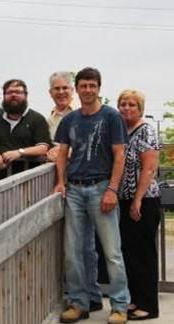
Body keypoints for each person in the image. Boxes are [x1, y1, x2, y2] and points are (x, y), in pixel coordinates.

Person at [54, 67, 130, 324]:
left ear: (99, 87)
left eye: (92, 85)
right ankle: (79, 303)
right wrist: (61, 182)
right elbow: (62, 153)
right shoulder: (69, 120)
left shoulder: (111, 117)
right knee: (73, 252)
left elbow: (120, 155)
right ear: (77, 88)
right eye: (83, 85)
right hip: (74, 189)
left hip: (101, 187)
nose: (87, 90)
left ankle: (119, 305)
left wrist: (112, 189)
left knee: (112, 251)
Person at [117, 90, 161, 320]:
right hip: (123, 200)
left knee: (144, 255)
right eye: (123, 104)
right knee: (129, 254)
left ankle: (148, 306)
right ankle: (135, 300)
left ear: (140, 108)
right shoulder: (123, 131)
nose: (126, 108)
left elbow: (149, 168)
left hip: (144, 201)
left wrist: (137, 200)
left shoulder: (146, 131)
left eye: (132, 105)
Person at [0, 79, 51, 179]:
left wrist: (19, 153)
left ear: (26, 96)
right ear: (4, 96)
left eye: (18, 92)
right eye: (9, 92)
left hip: (30, 180)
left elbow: (43, 147)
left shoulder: (37, 119)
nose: (13, 95)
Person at [46, 71, 75, 161]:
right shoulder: (49, 120)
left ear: (72, 90)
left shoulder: (83, 113)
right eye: (57, 88)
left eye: (65, 88)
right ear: (50, 93)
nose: (61, 92)